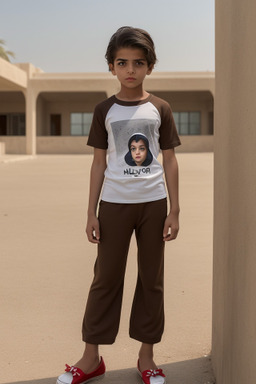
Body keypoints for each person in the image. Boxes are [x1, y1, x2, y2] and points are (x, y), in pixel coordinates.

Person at [57, 26, 181, 384]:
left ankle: (147, 358)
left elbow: (170, 160)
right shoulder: (104, 110)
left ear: (150, 66)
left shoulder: (161, 108)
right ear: (111, 66)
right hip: (113, 206)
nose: (130, 70)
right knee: (105, 279)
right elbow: (99, 162)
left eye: (138, 63)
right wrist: (91, 211)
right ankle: (91, 357)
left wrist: (174, 209)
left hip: (154, 205)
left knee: (151, 280)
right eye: (122, 62)